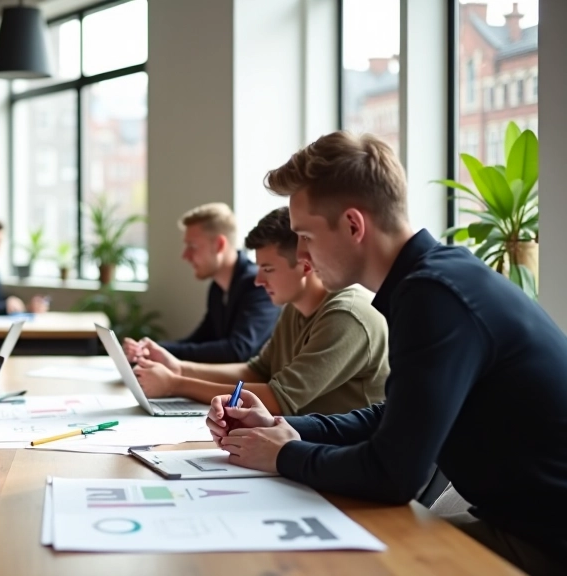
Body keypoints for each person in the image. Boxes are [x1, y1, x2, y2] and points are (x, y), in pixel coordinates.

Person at [206, 131, 567, 575]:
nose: (300, 254)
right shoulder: (433, 279)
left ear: (354, 225)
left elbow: (393, 475)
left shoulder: (433, 295)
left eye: (305, 235)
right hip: (514, 521)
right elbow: (392, 415)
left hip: (546, 543)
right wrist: (282, 428)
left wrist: (283, 454)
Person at [134, 206, 388, 415]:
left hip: (346, 459)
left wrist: (175, 385)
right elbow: (254, 371)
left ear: (305, 266)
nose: (258, 282)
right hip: (308, 445)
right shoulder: (294, 309)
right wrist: (178, 367)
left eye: (267, 269)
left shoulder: (346, 316)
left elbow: (277, 399)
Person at [124, 202, 278, 363]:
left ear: (219, 245)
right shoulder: (218, 288)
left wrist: (160, 352)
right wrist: (150, 350)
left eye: (192, 246)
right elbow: (200, 339)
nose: (185, 255)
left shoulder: (257, 286)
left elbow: (238, 350)